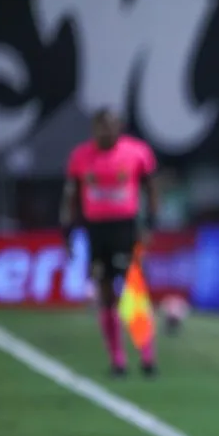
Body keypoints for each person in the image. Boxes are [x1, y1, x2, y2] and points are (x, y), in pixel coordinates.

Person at [60, 109, 159, 377]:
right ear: (94, 129)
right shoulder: (80, 156)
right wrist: (68, 232)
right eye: (100, 127)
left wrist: (150, 223)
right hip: (97, 230)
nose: (105, 132)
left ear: (120, 127)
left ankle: (147, 357)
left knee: (135, 290)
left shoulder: (137, 153)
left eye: (110, 126)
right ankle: (118, 360)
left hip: (126, 229)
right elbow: (71, 196)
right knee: (105, 293)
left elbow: (151, 188)